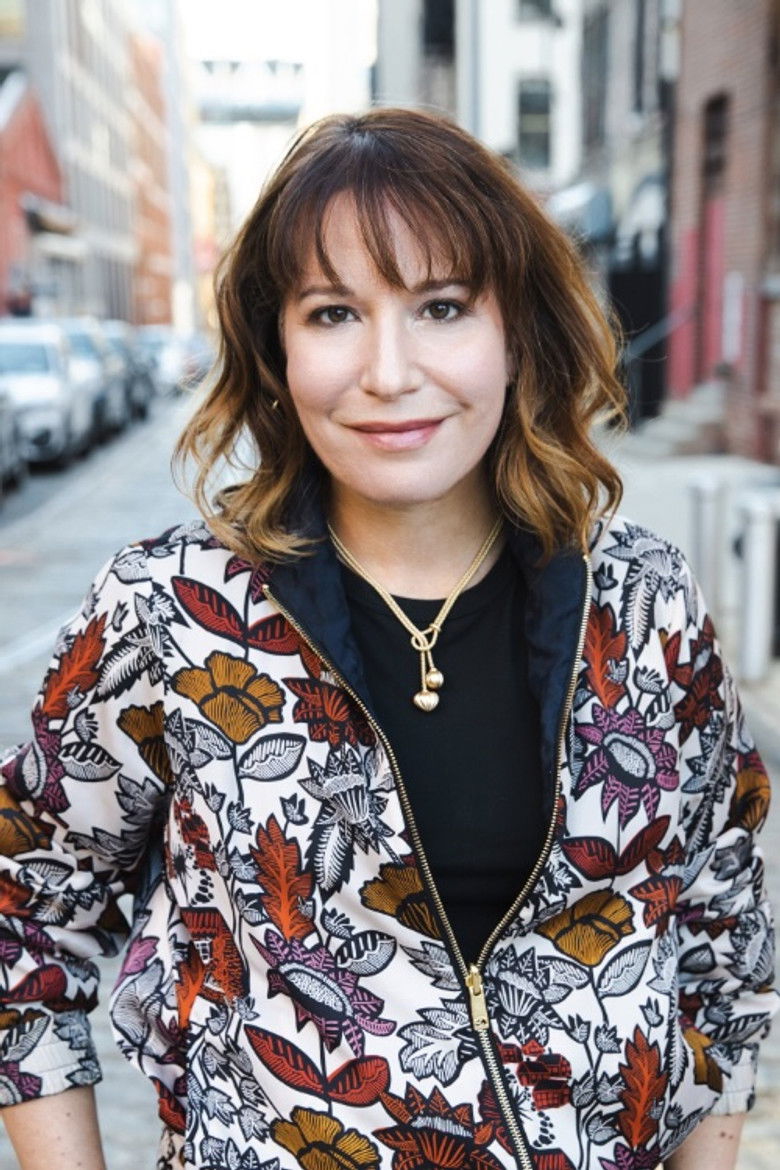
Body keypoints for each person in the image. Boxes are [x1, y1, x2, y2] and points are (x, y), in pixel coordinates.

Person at [0, 108, 776, 1170]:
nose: (389, 371)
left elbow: (721, 945)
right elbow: (22, 916)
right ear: (277, 349)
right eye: (333, 314)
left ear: (516, 332)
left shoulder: (645, 604)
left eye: (442, 306)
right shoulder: (171, 611)